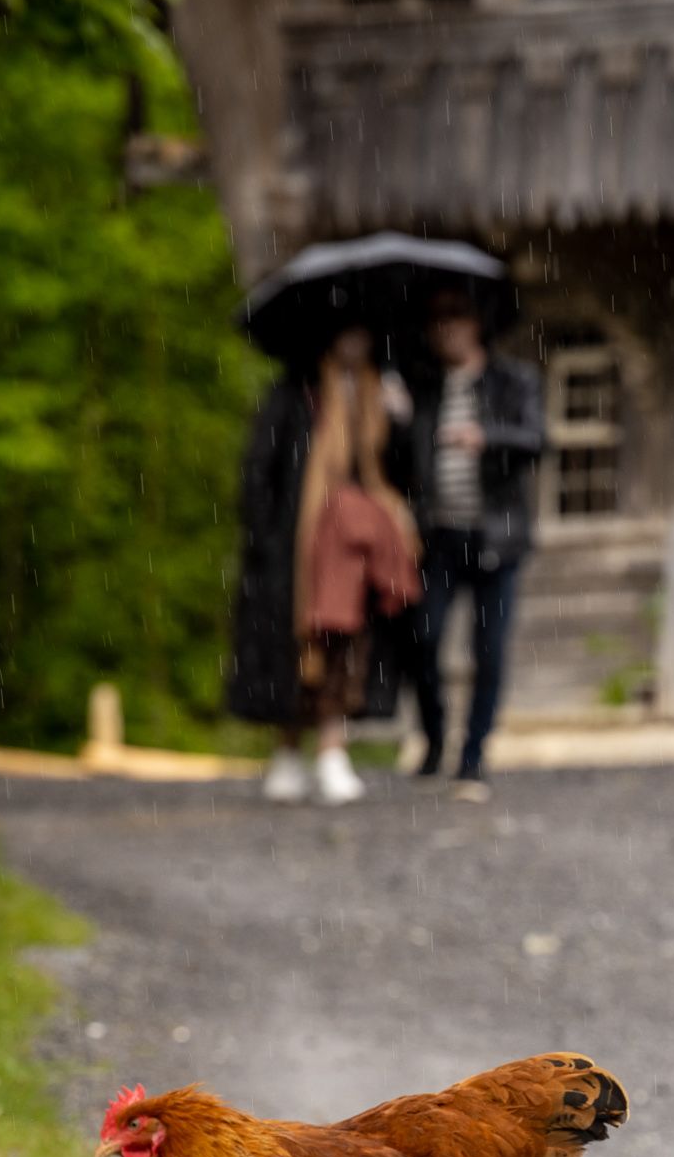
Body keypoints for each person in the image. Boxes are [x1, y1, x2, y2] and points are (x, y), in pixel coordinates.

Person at [228, 324, 421, 806]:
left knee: (346, 644)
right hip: (300, 549)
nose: (356, 344)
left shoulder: (385, 397)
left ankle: (333, 750)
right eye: (346, 334)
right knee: (299, 646)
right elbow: (260, 470)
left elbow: (403, 473)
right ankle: (289, 750)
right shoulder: (295, 395)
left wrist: (401, 425)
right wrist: (266, 538)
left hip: (358, 552)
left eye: (363, 335)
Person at [401, 286, 547, 802]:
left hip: (495, 537)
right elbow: (402, 458)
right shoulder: (422, 389)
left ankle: (473, 756)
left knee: (489, 651)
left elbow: (536, 439)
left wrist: (486, 436)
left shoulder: (512, 381)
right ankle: (435, 738)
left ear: (476, 325)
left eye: (456, 318)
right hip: (437, 537)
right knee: (424, 638)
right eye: (437, 321)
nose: (447, 330)